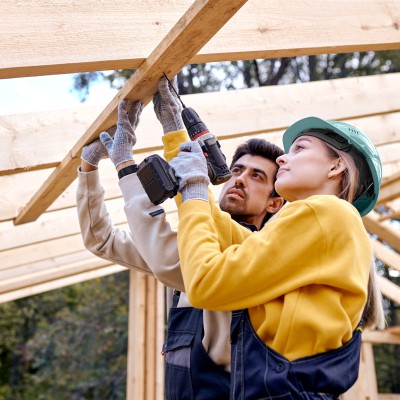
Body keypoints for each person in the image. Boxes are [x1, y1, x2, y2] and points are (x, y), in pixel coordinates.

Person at [76, 77, 284, 399]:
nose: (240, 180)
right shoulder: (198, 239)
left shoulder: (265, 253)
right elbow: (101, 240)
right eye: (238, 170)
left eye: (256, 176)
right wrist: (89, 166)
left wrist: (127, 165)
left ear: (274, 202)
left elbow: (169, 261)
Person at [169, 116, 386, 399]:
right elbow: (224, 230)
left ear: (336, 166)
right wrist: (174, 136)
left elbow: (206, 283)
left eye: (299, 149)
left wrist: (194, 188)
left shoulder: (323, 212)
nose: (283, 159)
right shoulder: (323, 227)